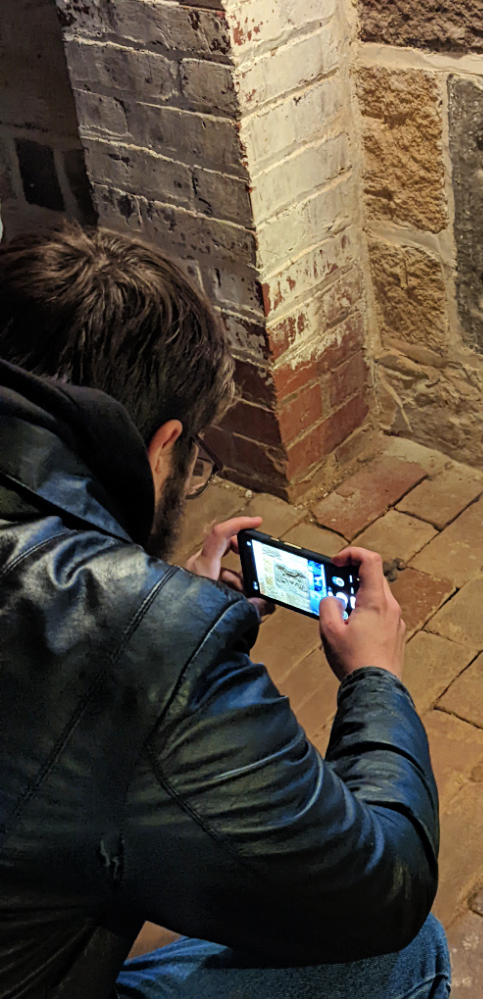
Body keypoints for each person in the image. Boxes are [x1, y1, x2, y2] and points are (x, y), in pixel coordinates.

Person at [0, 224, 450, 999]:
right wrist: (375, 677)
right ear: (163, 443)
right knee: (402, 953)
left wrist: (142, 595)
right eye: (194, 458)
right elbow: (383, 888)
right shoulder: (146, 640)